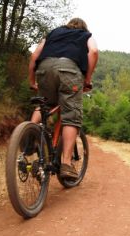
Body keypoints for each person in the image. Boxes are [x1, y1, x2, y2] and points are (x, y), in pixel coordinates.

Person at [28, 18, 99, 179]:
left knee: (44, 103)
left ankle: (29, 134)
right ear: (83, 27)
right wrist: (87, 79)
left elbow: (34, 56)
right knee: (71, 115)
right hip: (69, 70)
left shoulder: (53, 33)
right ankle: (66, 163)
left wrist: (32, 82)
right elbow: (93, 52)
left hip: (44, 69)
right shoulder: (85, 35)